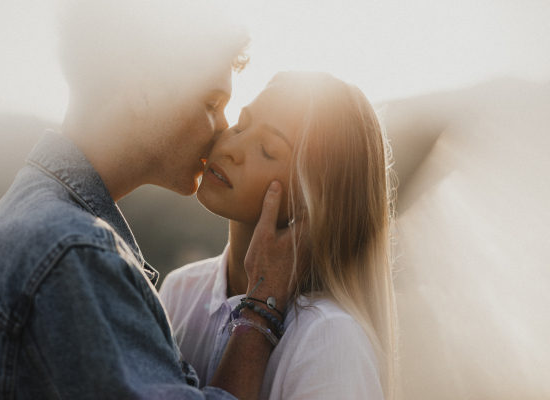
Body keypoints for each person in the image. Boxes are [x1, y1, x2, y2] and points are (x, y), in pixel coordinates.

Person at [0, 1, 298, 399]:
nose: (222, 128)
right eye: (211, 104)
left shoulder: (31, 218)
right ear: (145, 90)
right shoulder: (74, 254)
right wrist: (261, 307)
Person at [160, 71, 398, 399]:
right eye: (241, 124)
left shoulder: (329, 337)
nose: (231, 147)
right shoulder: (179, 290)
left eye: (269, 150)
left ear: (313, 200)